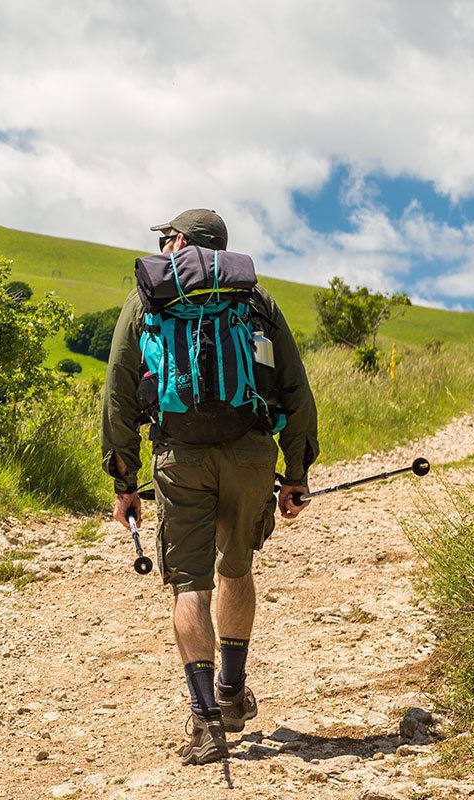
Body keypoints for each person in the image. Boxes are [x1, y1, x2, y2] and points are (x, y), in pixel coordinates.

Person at [101, 209, 319, 766]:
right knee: (236, 568)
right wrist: (295, 474)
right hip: (250, 453)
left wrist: (126, 482)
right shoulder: (254, 300)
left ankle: (204, 723)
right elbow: (295, 389)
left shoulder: (148, 298)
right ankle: (231, 691)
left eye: (167, 237)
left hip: (180, 457)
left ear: (178, 242)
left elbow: (119, 396)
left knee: (189, 585)